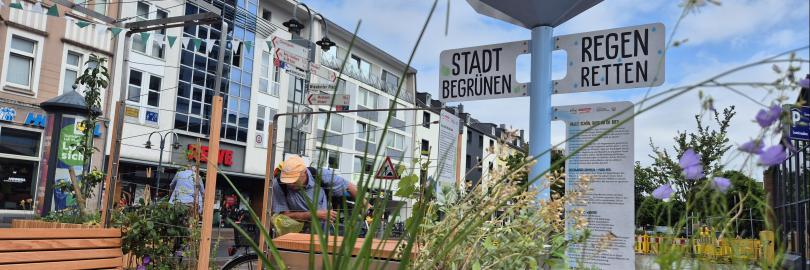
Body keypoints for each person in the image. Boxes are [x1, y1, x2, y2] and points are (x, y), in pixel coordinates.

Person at [271, 155, 363, 231]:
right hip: (294, 236)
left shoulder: (320, 175)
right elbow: (284, 217)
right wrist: (313, 214)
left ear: (304, 173)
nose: (290, 184)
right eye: (287, 181)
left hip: (322, 235)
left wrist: (366, 205)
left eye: (294, 180)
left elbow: (348, 186)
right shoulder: (279, 185)